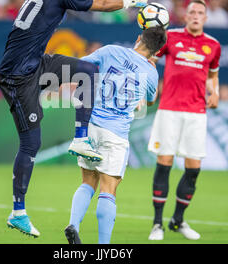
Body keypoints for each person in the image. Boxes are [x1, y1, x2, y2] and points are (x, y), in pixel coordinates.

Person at [0, 0, 149, 238]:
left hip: (34, 64)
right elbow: (99, 4)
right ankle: (18, 212)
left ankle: (81, 139)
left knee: (87, 71)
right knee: (31, 143)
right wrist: (130, 0)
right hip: (17, 76)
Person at [64, 26, 166, 244]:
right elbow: (150, 101)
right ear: (158, 52)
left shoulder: (111, 50)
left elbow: (83, 66)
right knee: (108, 190)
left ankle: (74, 223)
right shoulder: (150, 72)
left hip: (90, 125)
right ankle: (103, 248)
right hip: (116, 133)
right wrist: (150, 66)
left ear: (139, 38)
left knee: (87, 182)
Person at [147, 0, 222, 241]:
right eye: (192, 12)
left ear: (205, 18)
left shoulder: (213, 45)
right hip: (169, 109)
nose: (196, 15)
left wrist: (215, 92)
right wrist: (149, 87)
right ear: (186, 15)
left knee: (193, 169)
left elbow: (212, 75)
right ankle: (157, 224)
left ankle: (177, 220)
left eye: (200, 12)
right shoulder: (171, 37)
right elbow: (150, 60)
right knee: (164, 162)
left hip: (196, 113)